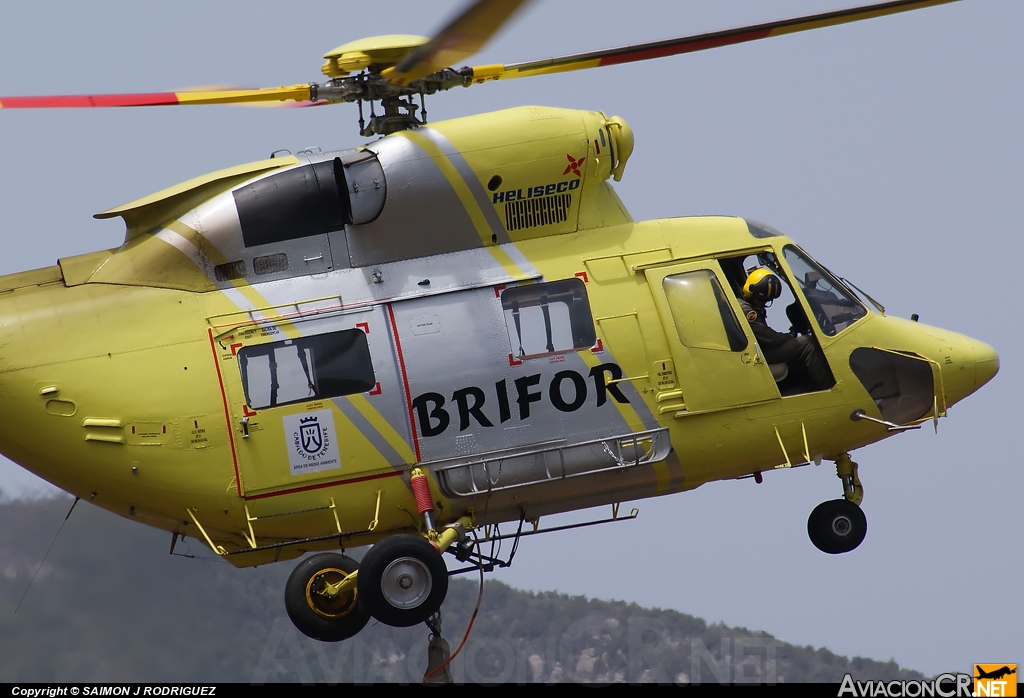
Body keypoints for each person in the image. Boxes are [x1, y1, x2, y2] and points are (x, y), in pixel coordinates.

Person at [739, 268, 834, 391]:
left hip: (761, 351)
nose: (763, 303)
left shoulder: (749, 305)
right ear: (750, 292)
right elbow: (770, 338)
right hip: (758, 355)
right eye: (762, 300)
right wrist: (789, 337)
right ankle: (830, 387)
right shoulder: (747, 310)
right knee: (807, 343)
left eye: (767, 301)